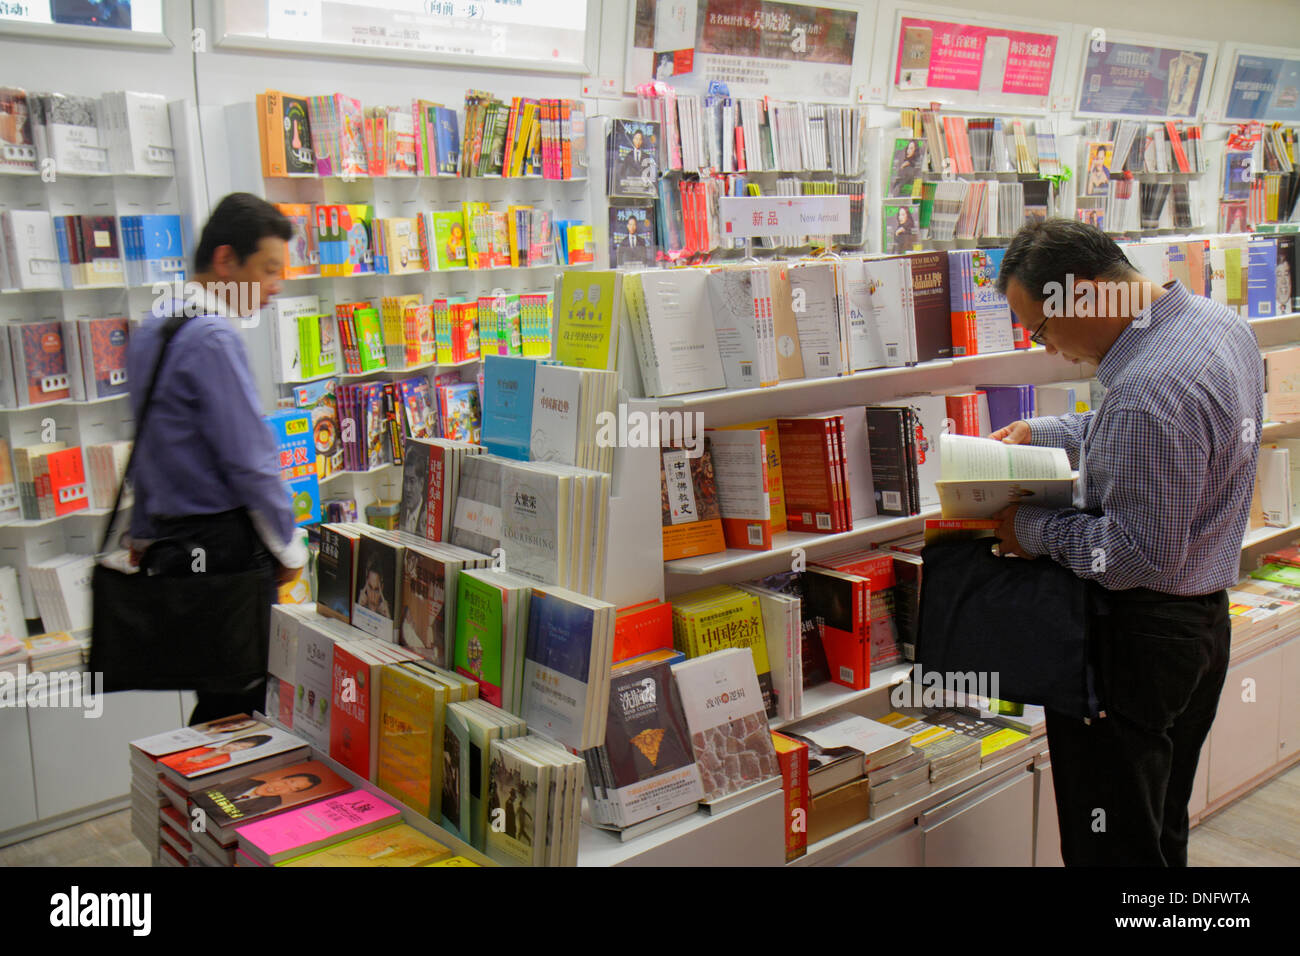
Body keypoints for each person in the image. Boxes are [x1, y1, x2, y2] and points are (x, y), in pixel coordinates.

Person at [990, 218, 1263, 866]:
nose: (1049, 349)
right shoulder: (1211, 324)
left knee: (1110, 844)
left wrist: (1028, 531)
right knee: (1158, 825)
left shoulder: (1146, 389)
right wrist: (1045, 430)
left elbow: (1137, 553)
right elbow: (1144, 441)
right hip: (1198, 626)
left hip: (1136, 639)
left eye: (1041, 328)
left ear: (1081, 297)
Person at [125, 193, 306, 726]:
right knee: (243, 707)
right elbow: (252, 462)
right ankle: (224, 805)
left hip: (174, 547)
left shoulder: (154, 326)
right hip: (227, 552)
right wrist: (288, 547)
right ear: (226, 260)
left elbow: (145, 450)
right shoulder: (214, 338)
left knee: (216, 698)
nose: (276, 287)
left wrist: (142, 533)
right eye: (269, 270)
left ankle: (196, 802)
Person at [218, 772, 324, 816]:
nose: (278, 788)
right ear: (278, 778)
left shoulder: (271, 803)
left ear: (290, 793)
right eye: (286, 782)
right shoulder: (247, 780)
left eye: (290, 789)